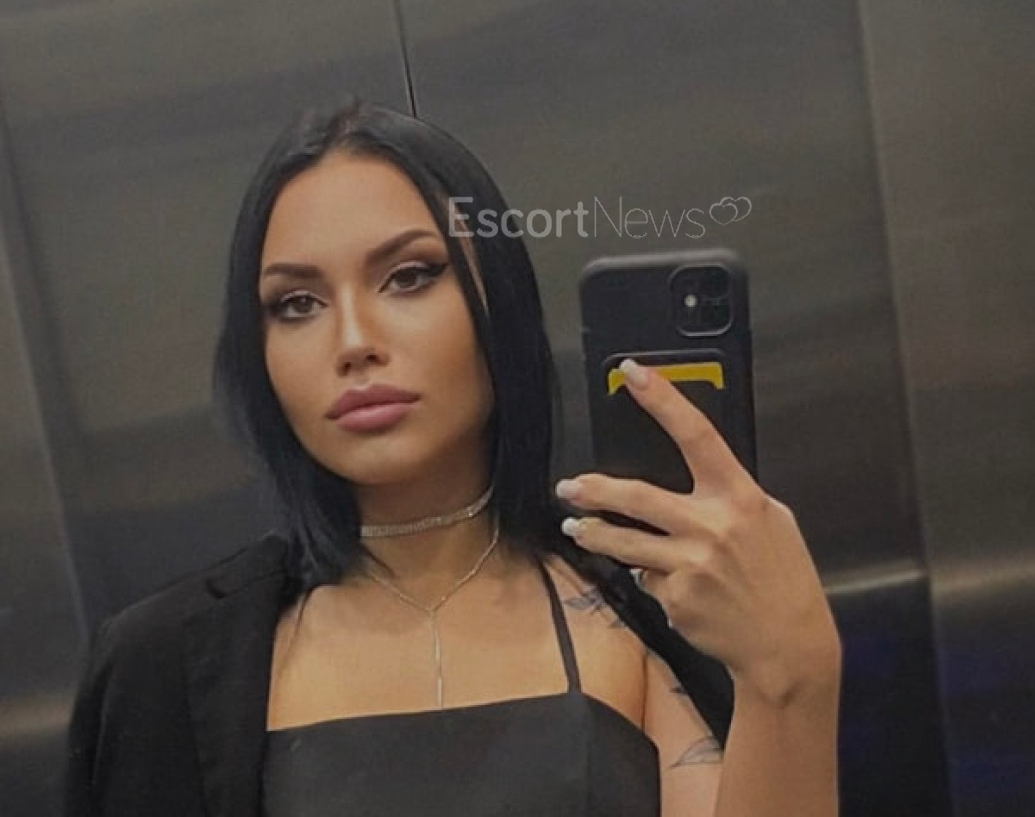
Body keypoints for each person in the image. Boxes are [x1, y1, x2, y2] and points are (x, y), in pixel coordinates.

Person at [64, 98, 841, 817]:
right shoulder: (162, 666)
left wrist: (792, 676)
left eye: (409, 276)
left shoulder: (639, 620)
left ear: (498, 303)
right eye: (297, 304)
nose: (354, 341)